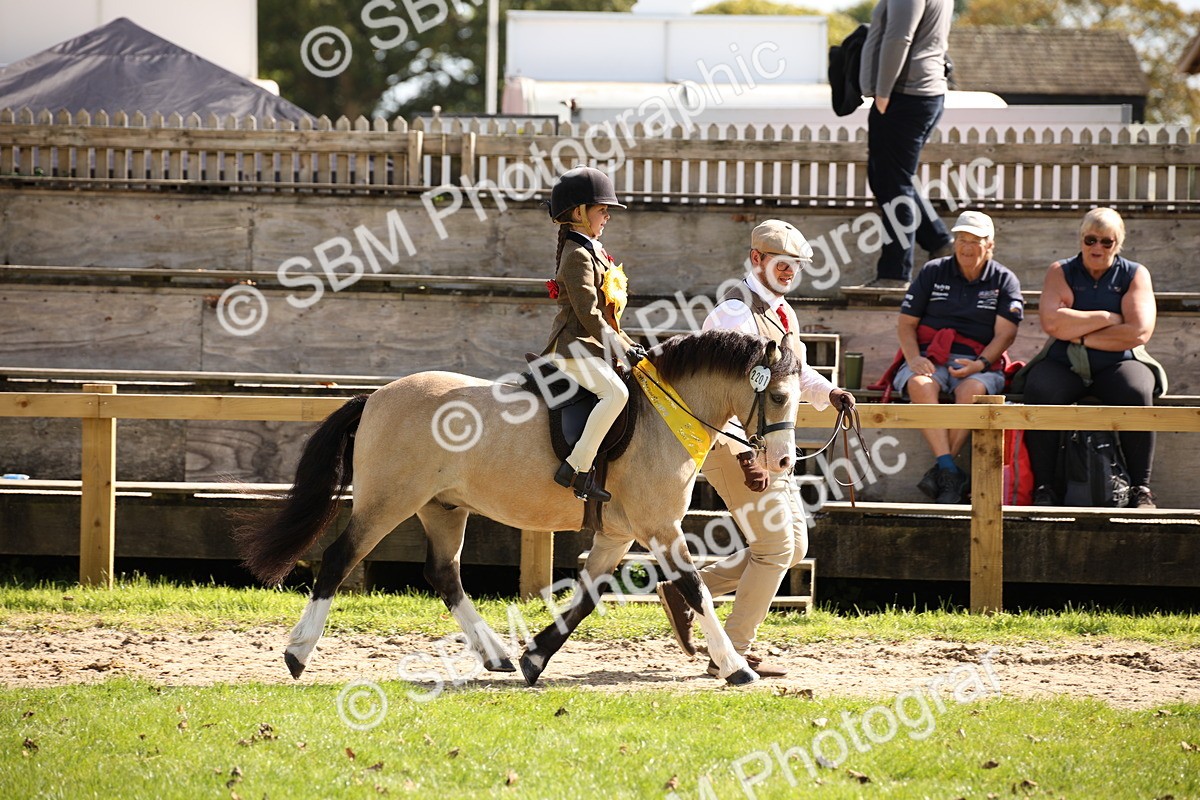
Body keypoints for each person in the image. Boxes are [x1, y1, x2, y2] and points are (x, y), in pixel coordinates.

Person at [657, 220, 856, 678]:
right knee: (773, 545)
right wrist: (746, 456)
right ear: (756, 259)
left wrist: (831, 394)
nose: (789, 272)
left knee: (793, 546)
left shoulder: (784, 314)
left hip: (768, 443)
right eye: (782, 263)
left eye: (796, 265)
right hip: (734, 448)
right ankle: (731, 649)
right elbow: (721, 393)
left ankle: (688, 589)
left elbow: (795, 375)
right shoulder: (734, 314)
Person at [1017, 208, 1164, 509]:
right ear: (1081, 239)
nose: (1097, 248)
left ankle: (1141, 488)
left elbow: (1138, 332)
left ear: (1118, 243)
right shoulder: (1060, 270)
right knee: (1039, 389)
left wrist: (1081, 334)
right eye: (1090, 239)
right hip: (1064, 363)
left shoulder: (1135, 273)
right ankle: (1044, 487)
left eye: (1106, 242)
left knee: (1137, 391)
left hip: (1118, 363)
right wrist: (1106, 317)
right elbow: (1053, 324)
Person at [890, 210, 1023, 503]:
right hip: (930, 356)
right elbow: (906, 323)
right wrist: (913, 360)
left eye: (974, 241)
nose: (965, 247)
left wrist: (981, 363)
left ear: (990, 245)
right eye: (961, 239)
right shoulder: (933, 271)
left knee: (973, 390)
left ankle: (943, 473)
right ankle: (950, 470)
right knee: (920, 385)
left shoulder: (1004, 279)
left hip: (979, 360)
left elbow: (1005, 334)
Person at [542, 166, 642, 503]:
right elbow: (589, 316)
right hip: (571, 348)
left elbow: (609, 316)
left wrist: (629, 345)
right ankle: (576, 468)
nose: (607, 217)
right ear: (579, 212)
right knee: (616, 395)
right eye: (602, 210)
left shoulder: (593, 251)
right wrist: (621, 348)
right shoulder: (577, 256)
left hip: (591, 347)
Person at [852, 0, 954, 289]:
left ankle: (894, 274)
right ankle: (938, 240)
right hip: (918, 94)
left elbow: (900, 37)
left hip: (904, 95)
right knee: (894, 179)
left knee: (893, 185)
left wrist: (883, 92)